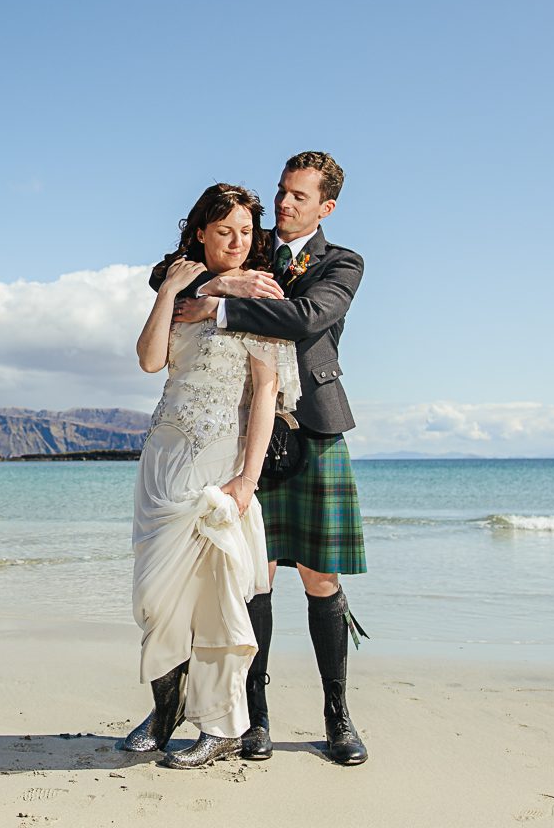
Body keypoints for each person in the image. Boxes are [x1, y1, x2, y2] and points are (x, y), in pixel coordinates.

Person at [171, 151, 370, 766]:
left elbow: (309, 317)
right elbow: (169, 273)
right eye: (281, 192)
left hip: (311, 430)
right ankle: (254, 719)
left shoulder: (342, 262)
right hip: (242, 434)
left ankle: (337, 718)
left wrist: (220, 306)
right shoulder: (245, 250)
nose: (283, 205)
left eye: (299, 197)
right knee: (255, 575)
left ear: (325, 207)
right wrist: (218, 283)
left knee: (320, 578)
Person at [123, 183, 298, 769]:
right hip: (161, 462)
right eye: (225, 231)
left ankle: (221, 726)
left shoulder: (261, 297)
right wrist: (176, 286)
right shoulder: (185, 288)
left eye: (248, 232)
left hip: (219, 464)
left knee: (217, 598)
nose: (238, 242)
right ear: (201, 231)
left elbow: (267, 393)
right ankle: (165, 713)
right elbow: (150, 360)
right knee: (155, 598)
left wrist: (248, 480)